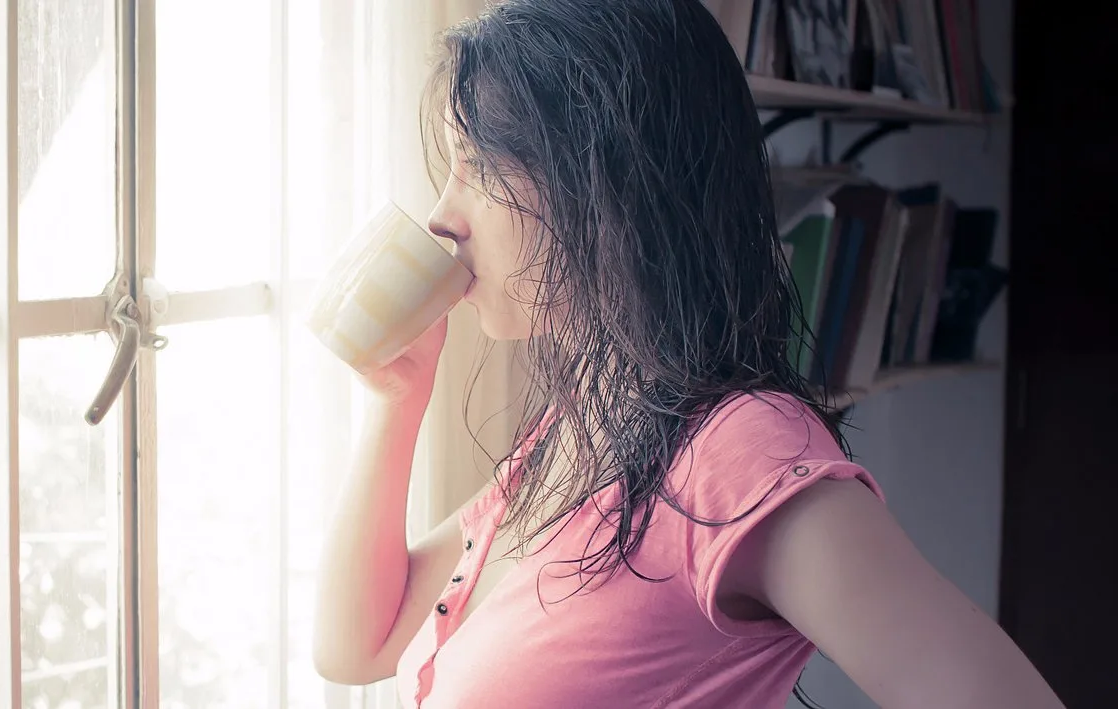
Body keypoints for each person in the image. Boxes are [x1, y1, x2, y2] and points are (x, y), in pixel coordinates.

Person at [311, 1, 1064, 706]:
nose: (443, 217)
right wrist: (395, 400)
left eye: (477, 168)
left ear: (604, 177)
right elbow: (357, 645)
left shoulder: (738, 454)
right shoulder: (581, 429)